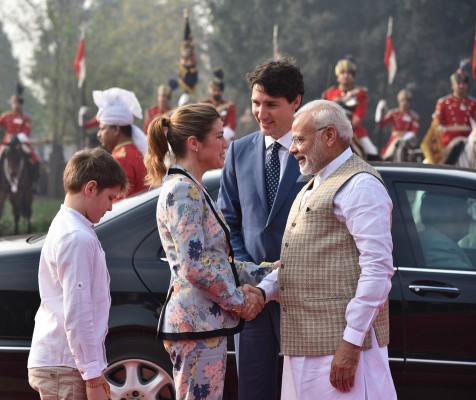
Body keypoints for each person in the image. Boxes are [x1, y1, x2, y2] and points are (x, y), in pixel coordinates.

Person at [257, 99, 396, 399]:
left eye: (299, 139)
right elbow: (301, 262)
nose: (292, 149)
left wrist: (351, 343)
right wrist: (263, 291)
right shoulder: (315, 183)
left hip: (339, 350)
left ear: (329, 136)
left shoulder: (360, 185)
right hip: (307, 346)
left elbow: (378, 270)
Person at [144, 103, 271, 400]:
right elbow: (195, 267)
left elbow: (217, 261)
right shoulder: (182, 190)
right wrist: (240, 302)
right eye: (218, 136)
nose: (225, 142)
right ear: (194, 143)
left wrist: (268, 270)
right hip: (194, 324)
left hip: (203, 324)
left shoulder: (192, 187)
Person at [217, 57, 306, 400]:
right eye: (256, 103)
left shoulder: (315, 152)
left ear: (295, 101)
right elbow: (229, 223)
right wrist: (251, 274)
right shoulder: (239, 151)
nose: (260, 112)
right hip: (251, 301)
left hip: (302, 299)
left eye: (271, 104)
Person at [27, 147, 128, 400]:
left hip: (65, 362)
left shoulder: (70, 226)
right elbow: (78, 311)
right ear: (91, 188)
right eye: (110, 198)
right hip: (66, 365)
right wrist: (93, 377)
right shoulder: (76, 237)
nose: (110, 207)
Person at [93, 87, 148, 200]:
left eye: (102, 129)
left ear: (116, 129)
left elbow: (118, 205)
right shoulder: (135, 152)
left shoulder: (121, 159)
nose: (99, 134)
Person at [323, 58, 379, 159]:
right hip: (331, 130)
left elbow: (360, 113)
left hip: (354, 130)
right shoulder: (329, 93)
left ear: (353, 77)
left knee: (372, 151)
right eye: (343, 73)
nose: (346, 75)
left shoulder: (359, 93)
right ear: (338, 76)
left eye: (349, 73)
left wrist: (349, 126)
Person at [0, 95, 40, 192]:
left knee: (34, 159)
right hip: (7, 142)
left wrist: (16, 138)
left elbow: (26, 132)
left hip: (20, 142)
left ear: (21, 105)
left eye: (18, 103)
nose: (16, 106)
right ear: (11, 104)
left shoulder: (25, 118)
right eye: (14, 103)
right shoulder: (6, 116)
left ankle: (33, 184)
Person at [419, 193, 473, 269]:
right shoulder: (438, 246)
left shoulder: (438, 241)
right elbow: (468, 280)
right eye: (462, 210)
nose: (469, 217)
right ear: (437, 214)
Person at [433, 65, 476, 148]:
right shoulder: (443, 102)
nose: (462, 86)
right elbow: (436, 123)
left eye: (464, 83)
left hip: (468, 143)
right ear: (453, 85)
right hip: (448, 142)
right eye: (459, 83)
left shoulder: (474, 104)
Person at [376, 89, 420, 159]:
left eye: (407, 101)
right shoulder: (393, 113)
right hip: (394, 140)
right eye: (402, 100)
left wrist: (403, 137)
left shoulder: (413, 116)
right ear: (399, 101)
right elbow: (380, 124)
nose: (405, 103)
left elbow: (414, 132)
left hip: (408, 141)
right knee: (386, 155)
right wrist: (379, 109)